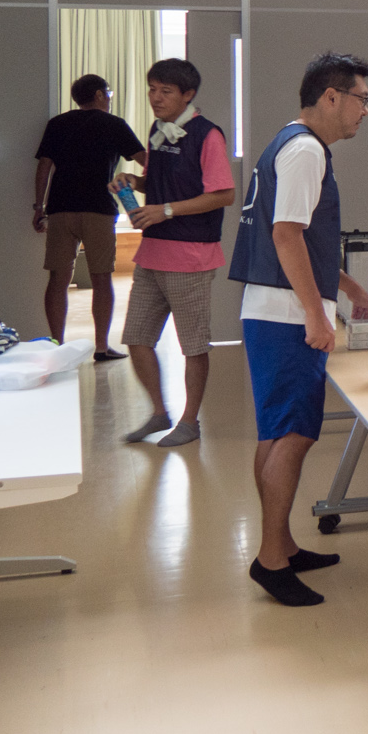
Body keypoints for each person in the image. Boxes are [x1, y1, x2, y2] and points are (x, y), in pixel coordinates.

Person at [229, 52, 368, 607]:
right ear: (331, 97)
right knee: (293, 434)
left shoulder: (288, 143)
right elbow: (286, 235)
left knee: (276, 434)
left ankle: (282, 544)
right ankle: (270, 559)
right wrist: (317, 314)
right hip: (286, 315)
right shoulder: (307, 150)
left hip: (271, 308)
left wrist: (347, 286)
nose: (365, 111)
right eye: (361, 99)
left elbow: (300, 238)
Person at [114, 59, 235, 448]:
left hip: (191, 255)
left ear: (188, 95)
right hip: (152, 253)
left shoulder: (207, 135)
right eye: (152, 89)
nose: (156, 98)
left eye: (165, 91)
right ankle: (158, 412)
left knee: (193, 345)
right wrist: (134, 181)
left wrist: (164, 210)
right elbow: (158, 181)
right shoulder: (156, 131)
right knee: (136, 338)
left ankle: (189, 420)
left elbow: (223, 194)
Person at [33, 73, 147, 359]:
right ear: (98, 94)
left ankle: (56, 344)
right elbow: (145, 159)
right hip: (98, 208)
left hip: (60, 208)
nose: (109, 97)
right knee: (101, 278)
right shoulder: (114, 124)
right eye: (108, 92)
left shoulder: (57, 124)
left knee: (58, 278)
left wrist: (39, 207)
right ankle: (101, 346)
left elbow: (44, 166)